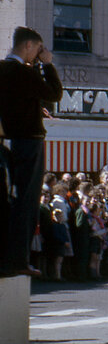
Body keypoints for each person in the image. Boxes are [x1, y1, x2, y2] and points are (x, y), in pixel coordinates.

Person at [0, 27, 63, 276]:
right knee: (26, 200)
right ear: (28, 45)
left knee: (8, 198)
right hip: (28, 140)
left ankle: (7, 256)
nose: (39, 53)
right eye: (37, 48)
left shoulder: (3, 69)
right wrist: (47, 65)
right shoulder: (24, 73)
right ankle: (18, 259)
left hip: (6, 141)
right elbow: (54, 93)